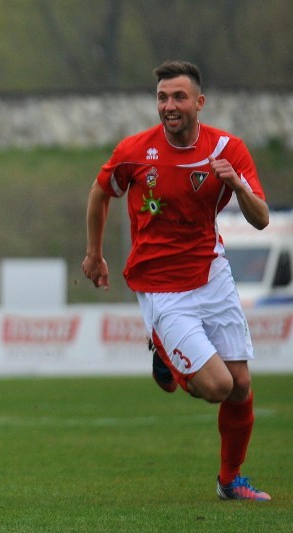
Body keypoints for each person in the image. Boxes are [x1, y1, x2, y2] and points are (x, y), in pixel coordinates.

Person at [82, 60, 271, 501]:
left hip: (211, 273)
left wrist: (238, 186)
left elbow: (261, 219)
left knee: (241, 385)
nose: (169, 106)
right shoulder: (134, 151)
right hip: (160, 286)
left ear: (199, 103)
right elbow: (99, 192)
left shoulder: (228, 148)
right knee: (218, 387)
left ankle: (230, 481)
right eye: (163, 98)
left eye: (179, 97)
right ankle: (164, 352)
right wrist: (94, 254)